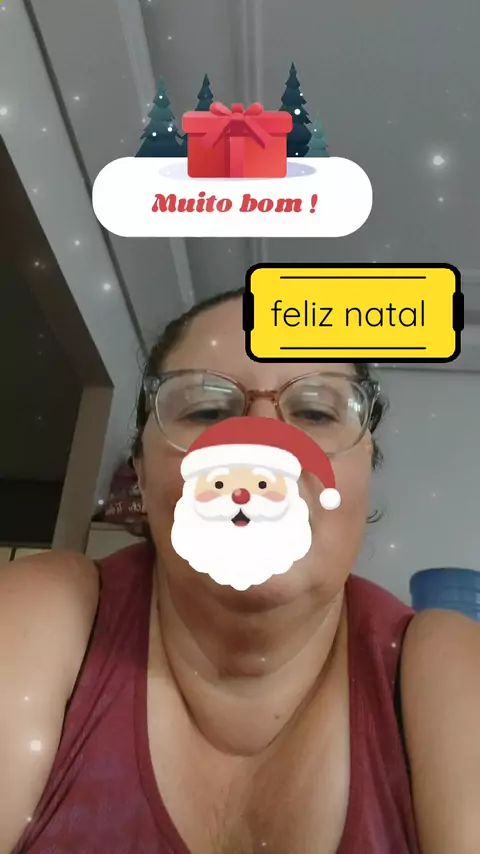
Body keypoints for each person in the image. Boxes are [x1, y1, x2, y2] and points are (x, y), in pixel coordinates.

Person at [1, 288, 479, 854]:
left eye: (315, 412)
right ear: (143, 475)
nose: (258, 449)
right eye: (205, 410)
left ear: (365, 476)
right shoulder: (42, 610)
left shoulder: (445, 663)